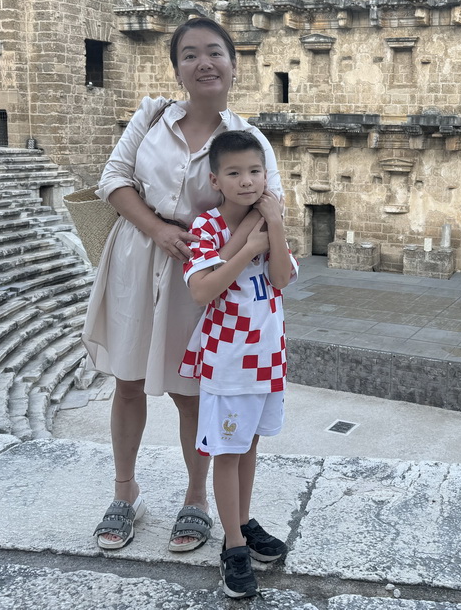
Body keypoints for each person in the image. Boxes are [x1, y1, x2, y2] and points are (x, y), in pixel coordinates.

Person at [82, 17, 282, 552]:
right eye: (189, 54)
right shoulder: (150, 118)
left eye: (215, 52)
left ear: (234, 65)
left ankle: (196, 500)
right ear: (177, 68)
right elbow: (113, 181)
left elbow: (266, 208)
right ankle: (125, 492)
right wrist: (158, 229)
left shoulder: (245, 138)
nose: (203, 63)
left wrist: (208, 241)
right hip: (135, 260)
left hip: (199, 272)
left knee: (191, 392)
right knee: (126, 384)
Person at [179, 130, 296, 599]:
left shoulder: (271, 216)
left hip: (267, 354)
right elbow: (203, 289)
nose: (247, 181)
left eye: (255, 171)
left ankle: (242, 522)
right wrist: (248, 247)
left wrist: (275, 222)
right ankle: (232, 547)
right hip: (227, 358)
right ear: (216, 179)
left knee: (247, 446)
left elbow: (283, 279)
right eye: (235, 173)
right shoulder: (207, 226)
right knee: (227, 452)